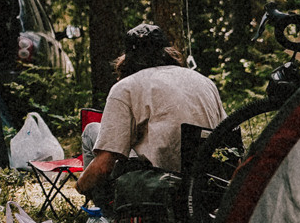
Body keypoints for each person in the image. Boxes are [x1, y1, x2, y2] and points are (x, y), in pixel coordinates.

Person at [77, 22, 224, 210]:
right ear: (166, 52)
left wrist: (81, 185)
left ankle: (105, 216)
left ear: (127, 59)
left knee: (91, 130)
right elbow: (226, 133)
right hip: (207, 177)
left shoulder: (126, 87)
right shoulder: (204, 81)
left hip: (159, 180)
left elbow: (105, 165)